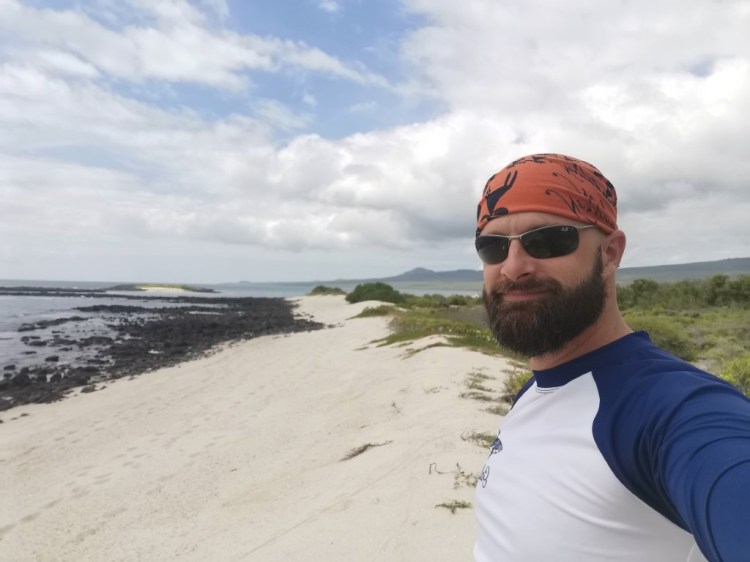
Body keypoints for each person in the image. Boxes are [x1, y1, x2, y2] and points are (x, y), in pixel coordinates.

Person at [472, 153, 750, 562]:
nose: (513, 268)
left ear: (610, 253)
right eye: (493, 246)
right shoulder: (538, 389)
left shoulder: (674, 410)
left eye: (548, 240)